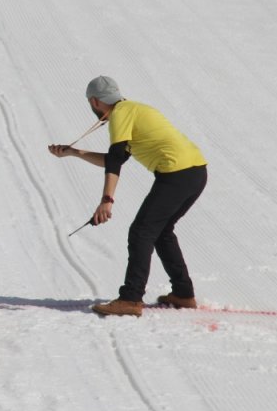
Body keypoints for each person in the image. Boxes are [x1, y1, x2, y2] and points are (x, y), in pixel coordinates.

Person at [48, 76, 207, 317]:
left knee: (141, 231)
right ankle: (183, 294)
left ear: (94, 101)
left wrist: (107, 200)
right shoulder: (134, 109)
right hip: (196, 172)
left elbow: (114, 161)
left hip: (176, 174)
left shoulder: (120, 114)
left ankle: (131, 299)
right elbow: (118, 157)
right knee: (161, 231)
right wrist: (73, 152)